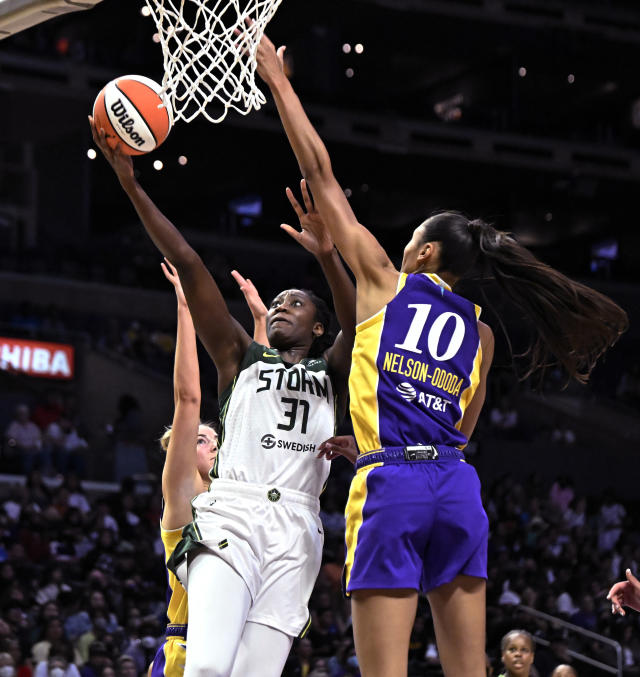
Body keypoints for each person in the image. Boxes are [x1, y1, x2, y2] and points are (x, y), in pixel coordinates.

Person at [255, 31, 628, 677]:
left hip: (392, 484)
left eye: (411, 239)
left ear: (425, 252)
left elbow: (320, 173)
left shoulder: (382, 281)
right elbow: (459, 431)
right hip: (457, 486)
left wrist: (281, 84)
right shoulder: (480, 332)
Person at [89, 117, 356, 677]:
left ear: (317, 329)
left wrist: (329, 256)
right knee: (208, 669)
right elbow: (189, 262)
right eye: (276, 301)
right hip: (233, 514)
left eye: (295, 303)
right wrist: (131, 186)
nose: (281, 306)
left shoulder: (332, 370)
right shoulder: (239, 357)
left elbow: (359, 321)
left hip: (297, 530)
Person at [148, 259, 220, 677]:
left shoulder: (231, 495)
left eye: (215, 439)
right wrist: (185, 308)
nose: (212, 444)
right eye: (199, 439)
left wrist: (262, 328)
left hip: (238, 644)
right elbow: (188, 399)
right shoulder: (183, 497)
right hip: (187, 646)